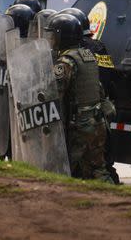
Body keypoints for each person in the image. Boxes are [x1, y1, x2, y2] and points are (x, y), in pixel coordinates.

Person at [45, 13, 115, 183]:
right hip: (97, 121)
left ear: (63, 36)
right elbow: (98, 89)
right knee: (97, 169)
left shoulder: (67, 62)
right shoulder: (87, 56)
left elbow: (52, 92)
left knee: (70, 170)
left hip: (81, 127)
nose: (52, 40)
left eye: (54, 35)